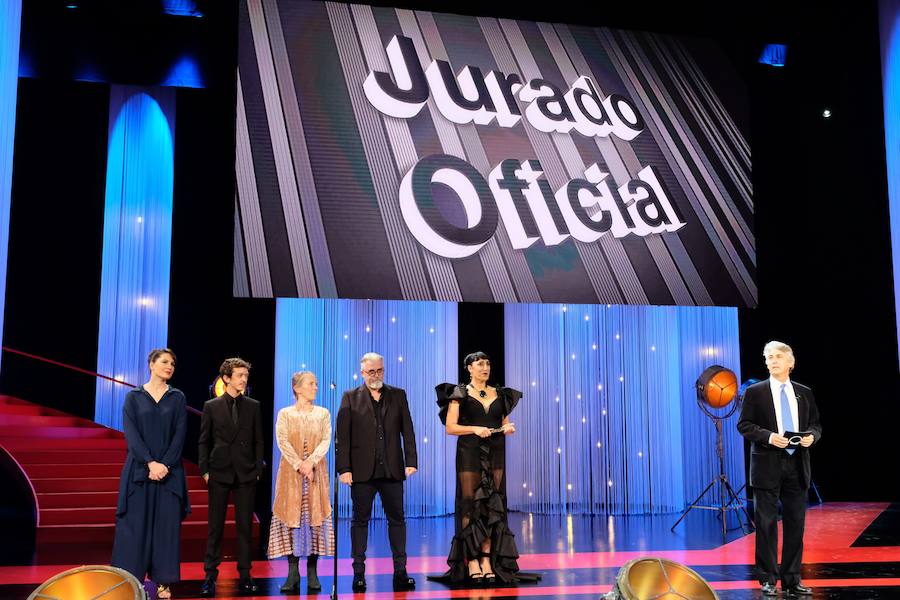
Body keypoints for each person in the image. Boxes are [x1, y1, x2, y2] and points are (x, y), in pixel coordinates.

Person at [430, 351, 540, 586]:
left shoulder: (500, 394)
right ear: (469, 368)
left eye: (487, 363)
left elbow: (502, 423)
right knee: (470, 505)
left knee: (492, 506)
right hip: (470, 454)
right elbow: (450, 427)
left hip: (495, 453)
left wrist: (508, 427)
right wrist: (474, 429)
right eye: (479, 364)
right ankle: (471, 560)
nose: (485, 367)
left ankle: (487, 559)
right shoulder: (459, 393)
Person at [738, 341, 822, 597]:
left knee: (796, 523)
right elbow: (744, 425)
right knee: (766, 524)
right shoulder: (756, 392)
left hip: (797, 464)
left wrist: (811, 437)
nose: (772, 361)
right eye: (768, 357)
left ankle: (792, 579)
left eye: (777, 357)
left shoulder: (804, 392)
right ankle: (767, 579)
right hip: (767, 464)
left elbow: (816, 425)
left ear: (790, 362)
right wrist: (768, 437)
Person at [111, 348, 190, 600]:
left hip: (170, 473)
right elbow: (131, 435)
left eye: (173, 363)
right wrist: (149, 463)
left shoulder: (177, 397)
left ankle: (163, 583)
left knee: (165, 529)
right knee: (134, 530)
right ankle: (130, 582)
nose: (170, 366)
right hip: (139, 472)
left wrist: (164, 464)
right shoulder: (134, 397)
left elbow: (180, 435)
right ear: (151, 365)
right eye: (165, 361)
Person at [336, 352, 418, 592]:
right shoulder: (350, 397)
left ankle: (401, 572)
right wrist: (344, 468)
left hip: (392, 470)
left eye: (380, 370)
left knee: (398, 520)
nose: (376, 375)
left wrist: (411, 460)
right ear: (362, 373)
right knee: (360, 521)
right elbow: (343, 437)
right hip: (361, 472)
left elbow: (408, 430)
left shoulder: (398, 395)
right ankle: (359, 574)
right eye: (371, 372)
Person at [198, 357, 264, 596]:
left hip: (246, 473)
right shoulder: (211, 406)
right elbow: (204, 441)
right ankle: (209, 577)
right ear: (226, 378)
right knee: (215, 527)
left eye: (246, 376)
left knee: (245, 527)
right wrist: (204, 471)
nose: (244, 380)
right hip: (219, 472)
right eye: (239, 375)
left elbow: (259, 440)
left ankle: (245, 575)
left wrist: (257, 469)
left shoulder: (253, 405)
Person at [268, 371, 335, 593]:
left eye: (316, 383)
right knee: (291, 519)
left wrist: (312, 462)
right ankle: (292, 571)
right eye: (310, 383)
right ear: (297, 388)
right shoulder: (286, 413)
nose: (315, 387)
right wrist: (299, 464)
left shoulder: (323, 413)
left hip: (315, 476)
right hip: (292, 476)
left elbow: (326, 439)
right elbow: (282, 440)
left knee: (314, 519)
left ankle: (313, 571)